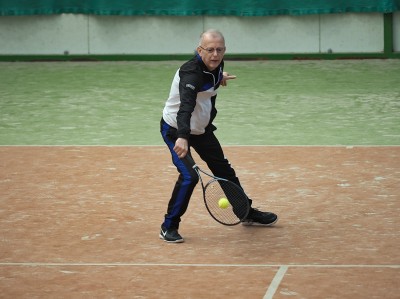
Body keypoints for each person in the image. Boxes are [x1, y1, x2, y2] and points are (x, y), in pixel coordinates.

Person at [159, 29, 278, 243]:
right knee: (189, 177)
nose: (215, 54)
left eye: (219, 50)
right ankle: (169, 226)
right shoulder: (191, 73)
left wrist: (218, 78)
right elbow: (185, 106)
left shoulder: (216, 66)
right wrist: (183, 136)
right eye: (210, 50)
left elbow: (208, 83)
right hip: (177, 130)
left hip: (201, 130)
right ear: (199, 50)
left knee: (224, 170)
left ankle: (245, 212)